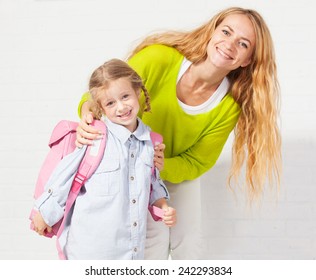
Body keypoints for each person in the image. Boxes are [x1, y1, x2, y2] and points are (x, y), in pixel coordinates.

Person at [76, 7, 282, 259]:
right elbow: (106, 92)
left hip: (174, 172)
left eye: (242, 43)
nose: (229, 44)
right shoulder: (158, 59)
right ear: (212, 32)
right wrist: (87, 112)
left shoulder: (228, 106)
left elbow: (197, 161)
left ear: (247, 60)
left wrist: (160, 164)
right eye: (226, 32)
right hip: (132, 167)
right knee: (149, 241)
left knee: (189, 242)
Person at [32, 59, 177, 260]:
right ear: (101, 107)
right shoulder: (96, 136)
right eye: (110, 103)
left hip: (130, 252)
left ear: (137, 91)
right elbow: (66, 174)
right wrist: (44, 213)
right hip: (88, 250)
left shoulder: (149, 142)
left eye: (125, 96)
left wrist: (163, 207)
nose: (121, 107)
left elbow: (152, 183)